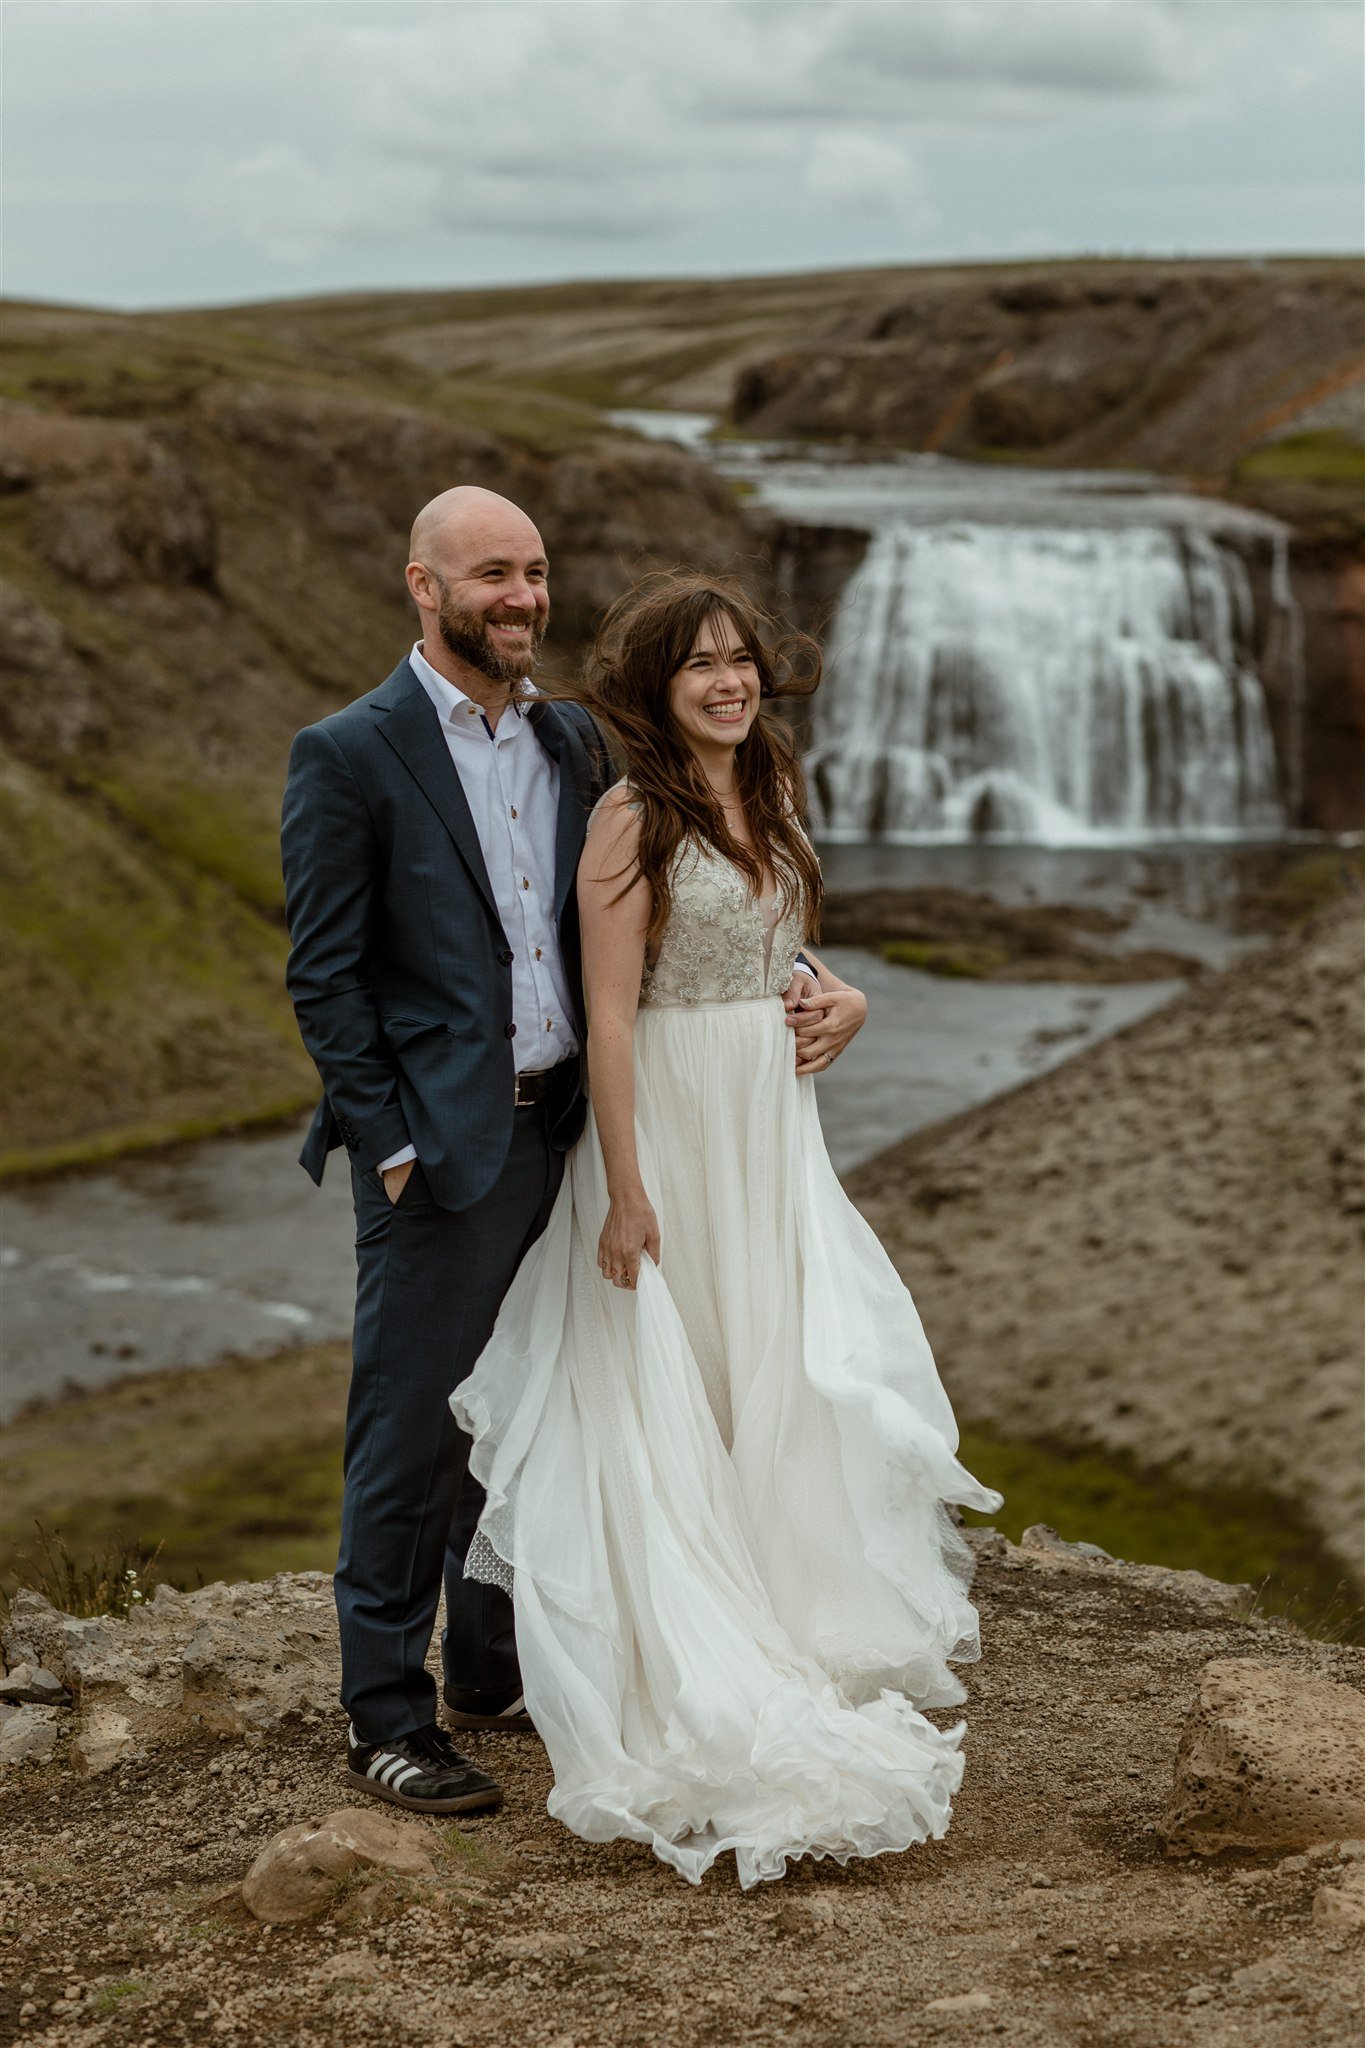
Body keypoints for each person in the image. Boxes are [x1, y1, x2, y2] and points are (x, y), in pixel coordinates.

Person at [281, 494, 858, 1817]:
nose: (521, 596)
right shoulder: (349, 753)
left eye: (535, 573)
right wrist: (391, 1145)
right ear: (423, 584)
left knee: (539, 1395)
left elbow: (700, 898)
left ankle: (491, 1664)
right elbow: (324, 978)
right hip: (443, 1144)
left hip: (580, 1127)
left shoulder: (573, 743)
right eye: (493, 574)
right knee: (414, 1431)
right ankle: (385, 1715)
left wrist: (829, 986)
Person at [453, 570, 1004, 1888]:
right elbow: (612, 1017)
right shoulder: (629, 819)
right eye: (699, 665)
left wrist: (845, 1001)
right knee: (667, 1383)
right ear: (656, 689)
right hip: (672, 1129)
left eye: (741, 660)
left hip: (767, 1130)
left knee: (780, 1361)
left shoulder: (768, 798)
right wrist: (627, 1188)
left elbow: (783, 960)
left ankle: (778, 1608)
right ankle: (680, 1653)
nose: (728, 682)